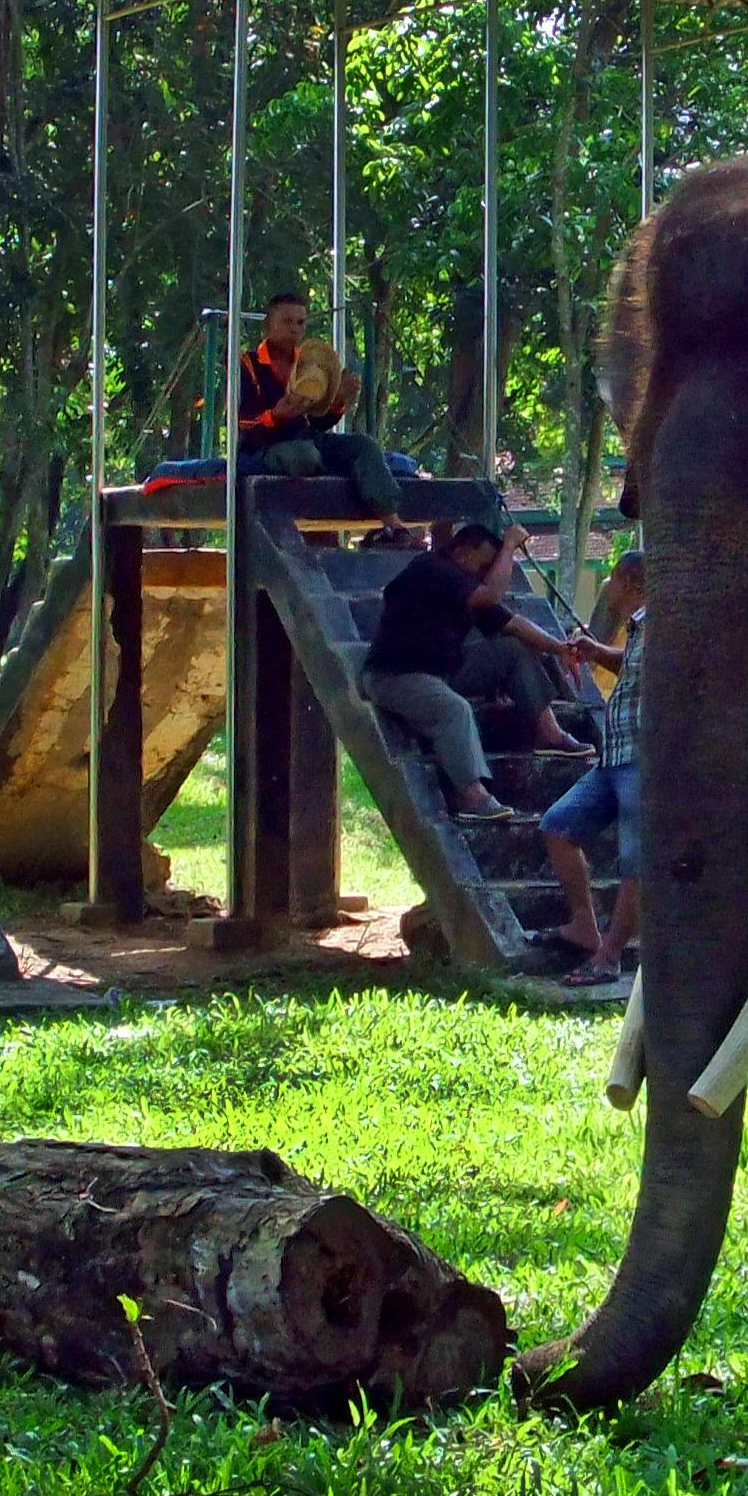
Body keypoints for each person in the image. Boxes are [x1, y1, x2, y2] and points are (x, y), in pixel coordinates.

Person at [365, 515, 611, 821]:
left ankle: (549, 733)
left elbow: (514, 625)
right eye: (483, 565)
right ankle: (472, 796)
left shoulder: (466, 589)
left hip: (443, 670)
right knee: (454, 710)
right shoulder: (433, 569)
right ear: (462, 553)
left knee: (512, 649)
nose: (487, 573)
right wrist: (509, 545)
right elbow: (492, 594)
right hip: (396, 676)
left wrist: (561, 649)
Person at [543, 551, 645, 987]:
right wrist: (597, 650)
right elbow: (634, 666)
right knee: (558, 825)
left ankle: (609, 956)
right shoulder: (640, 628)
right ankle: (585, 926)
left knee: (636, 862)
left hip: (644, 757)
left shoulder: (667, 623)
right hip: (613, 756)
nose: (606, 587)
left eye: (611, 580)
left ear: (626, 581)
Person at [237, 291, 410, 543]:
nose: (295, 329)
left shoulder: (309, 363)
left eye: (300, 322)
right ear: (267, 325)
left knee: (363, 445)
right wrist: (274, 416)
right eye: (287, 321)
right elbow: (239, 421)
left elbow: (318, 420)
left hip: (309, 439)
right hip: (264, 446)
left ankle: (393, 524)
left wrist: (337, 401)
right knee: (304, 456)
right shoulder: (247, 363)